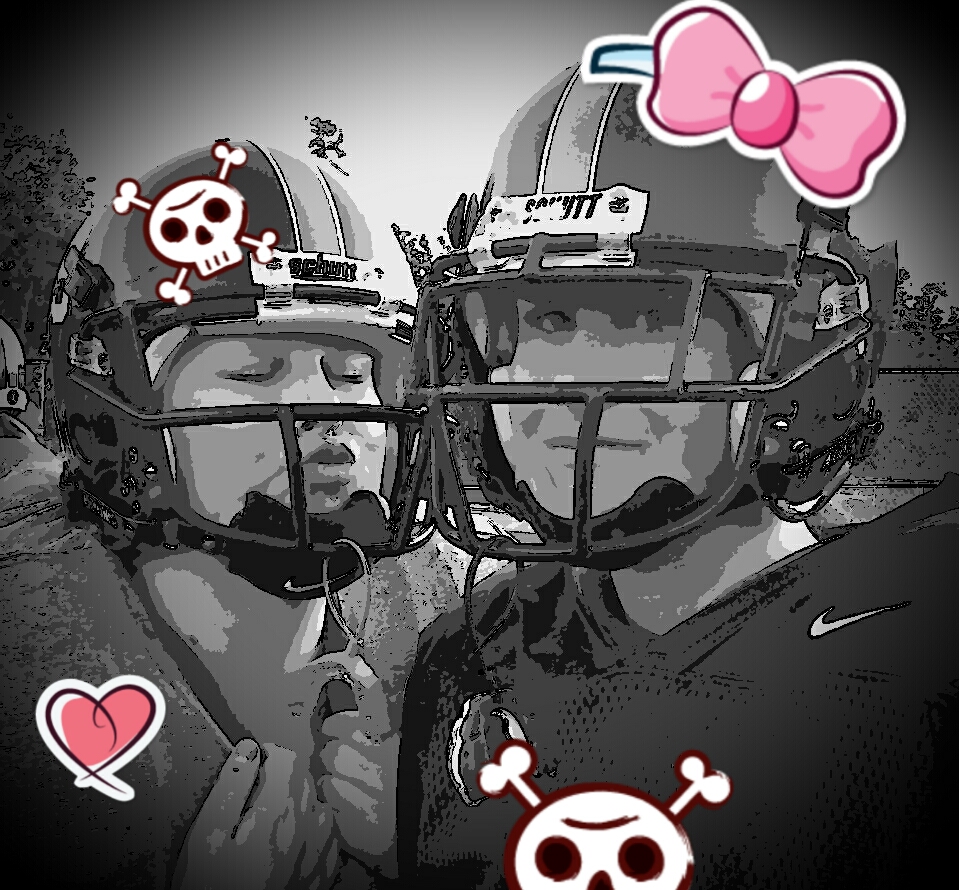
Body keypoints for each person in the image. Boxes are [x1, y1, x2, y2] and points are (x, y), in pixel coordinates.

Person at [319, 68, 959, 888]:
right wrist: (409, 852)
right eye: (544, 319)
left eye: (646, 316)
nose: (559, 382)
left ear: (789, 363)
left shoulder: (911, 662)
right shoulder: (464, 652)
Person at [46, 140, 460, 889]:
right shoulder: (33, 637)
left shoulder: (446, 619)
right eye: (253, 370)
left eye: (351, 371)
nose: (327, 407)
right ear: (117, 416)